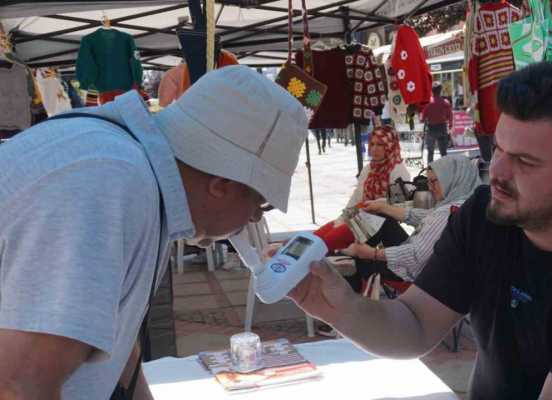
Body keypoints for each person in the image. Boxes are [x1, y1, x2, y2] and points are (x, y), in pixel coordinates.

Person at [289, 61, 552, 399]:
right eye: (498, 149)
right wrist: (338, 307)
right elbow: (414, 324)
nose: (497, 171)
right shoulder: (483, 215)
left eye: (524, 161)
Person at [0, 65, 308, 399]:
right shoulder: (107, 181)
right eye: (259, 204)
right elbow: (21, 383)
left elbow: (112, 330)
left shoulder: (144, 178)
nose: (252, 219)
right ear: (223, 185)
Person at [341, 155, 481, 290]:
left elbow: (416, 255)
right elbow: (426, 216)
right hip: (425, 262)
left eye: (434, 181)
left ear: (452, 180)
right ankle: (345, 246)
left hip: (415, 274)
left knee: (356, 262)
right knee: (383, 219)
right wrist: (384, 207)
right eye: (428, 181)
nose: (430, 187)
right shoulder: (466, 203)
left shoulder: (448, 213)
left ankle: (346, 259)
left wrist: (371, 253)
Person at [314, 125, 411, 252]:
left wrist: (374, 206)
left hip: (377, 224)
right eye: (372, 144)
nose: (374, 149)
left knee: (325, 243)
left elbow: (399, 205)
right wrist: (342, 219)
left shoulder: (398, 171)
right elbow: (356, 197)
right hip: (359, 217)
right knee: (317, 237)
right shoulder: (369, 168)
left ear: (390, 146)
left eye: (380, 144)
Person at [421, 82, 453, 162]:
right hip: (442, 128)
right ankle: (445, 169)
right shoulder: (445, 102)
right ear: (440, 90)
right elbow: (450, 116)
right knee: (443, 152)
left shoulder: (428, 103)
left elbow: (422, 118)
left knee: (430, 152)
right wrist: (450, 126)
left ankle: (430, 169)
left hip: (431, 128)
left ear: (432, 91)